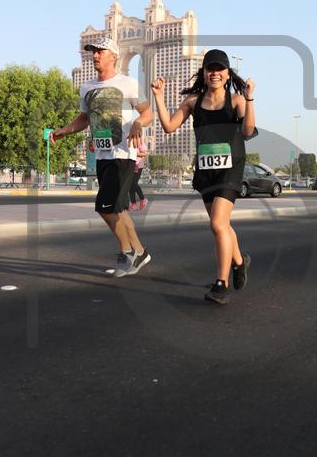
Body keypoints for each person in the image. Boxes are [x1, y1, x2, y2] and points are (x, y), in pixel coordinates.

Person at [151, 49, 256, 304]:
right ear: (204, 73)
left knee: (217, 224)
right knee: (222, 225)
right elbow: (169, 126)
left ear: (228, 74)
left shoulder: (237, 101)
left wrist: (250, 99)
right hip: (206, 170)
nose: (215, 73)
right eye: (211, 69)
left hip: (231, 169)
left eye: (220, 69)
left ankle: (222, 284)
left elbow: (248, 131)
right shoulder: (193, 102)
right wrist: (159, 97)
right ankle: (239, 261)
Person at [50, 37, 153, 276]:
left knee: (105, 207)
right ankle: (140, 252)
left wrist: (138, 123)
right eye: (93, 51)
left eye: (100, 51)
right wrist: (64, 130)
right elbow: (84, 118)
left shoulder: (128, 84)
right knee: (118, 208)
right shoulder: (87, 88)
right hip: (102, 155)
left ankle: (127, 252)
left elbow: (147, 113)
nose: (95, 55)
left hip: (124, 154)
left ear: (113, 56)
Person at [129, 142, 148, 211]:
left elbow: (145, 153)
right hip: (129, 165)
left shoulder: (139, 141)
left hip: (137, 165)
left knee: (133, 183)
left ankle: (142, 199)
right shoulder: (125, 140)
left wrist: (133, 154)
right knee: (130, 185)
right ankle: (133, 203)